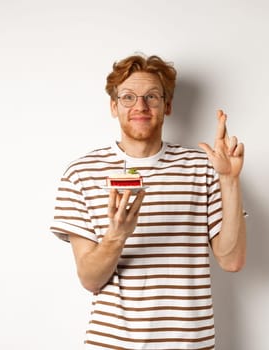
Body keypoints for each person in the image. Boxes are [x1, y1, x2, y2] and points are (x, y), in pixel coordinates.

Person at [49, 54, 247, 349]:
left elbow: (231, 260)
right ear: (114, 106)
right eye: (128, 97)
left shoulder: (205, 166)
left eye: (151, 97)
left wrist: (230, 180)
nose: (140, 106)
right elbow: (90, 279)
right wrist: (116, 236)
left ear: (167, 106)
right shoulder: (81, 173)